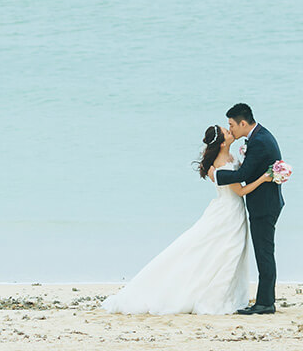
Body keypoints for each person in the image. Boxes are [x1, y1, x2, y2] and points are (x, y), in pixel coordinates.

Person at [102, 124, 272, 314]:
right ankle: (214, 296)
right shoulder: (219, 167)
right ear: (223, 143)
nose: (230, 131)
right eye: (227, 132)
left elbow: (243, 175)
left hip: (232, 211)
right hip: (227, 213)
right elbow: (240, 191)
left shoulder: (231, 158)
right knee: (226, 252)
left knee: (227, 253)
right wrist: (264, 178)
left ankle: (227, 294)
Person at [210, 103, 284, 314]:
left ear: (243, 123)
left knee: (264, 254)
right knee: (264, 252)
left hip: (264, 206)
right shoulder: (260, 136)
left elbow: (242, 176)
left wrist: (216, 175)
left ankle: (265, 303)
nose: (231, 129)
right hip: (266, 203)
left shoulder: (259, 141)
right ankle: (265, 301)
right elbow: (249, 170)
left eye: (231, 125)